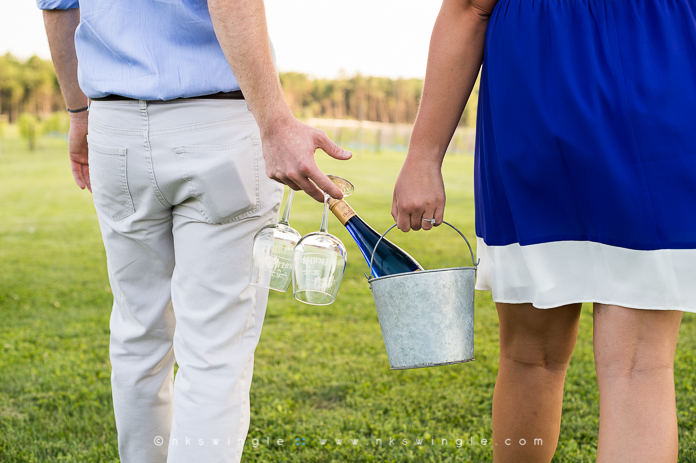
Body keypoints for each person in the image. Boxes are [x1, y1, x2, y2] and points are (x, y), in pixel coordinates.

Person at [38, 1, 351, 462]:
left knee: (137, 335)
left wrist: (78, 114)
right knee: (214, 353)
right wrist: (274, 120)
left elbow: (58, 6)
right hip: (217, 128)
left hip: (114, 127)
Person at [393, 0, 694, 462]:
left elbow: (469, 9)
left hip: (536, 99)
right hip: (662, 94)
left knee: (531, 356)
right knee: (637, 367)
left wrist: (424, 156)